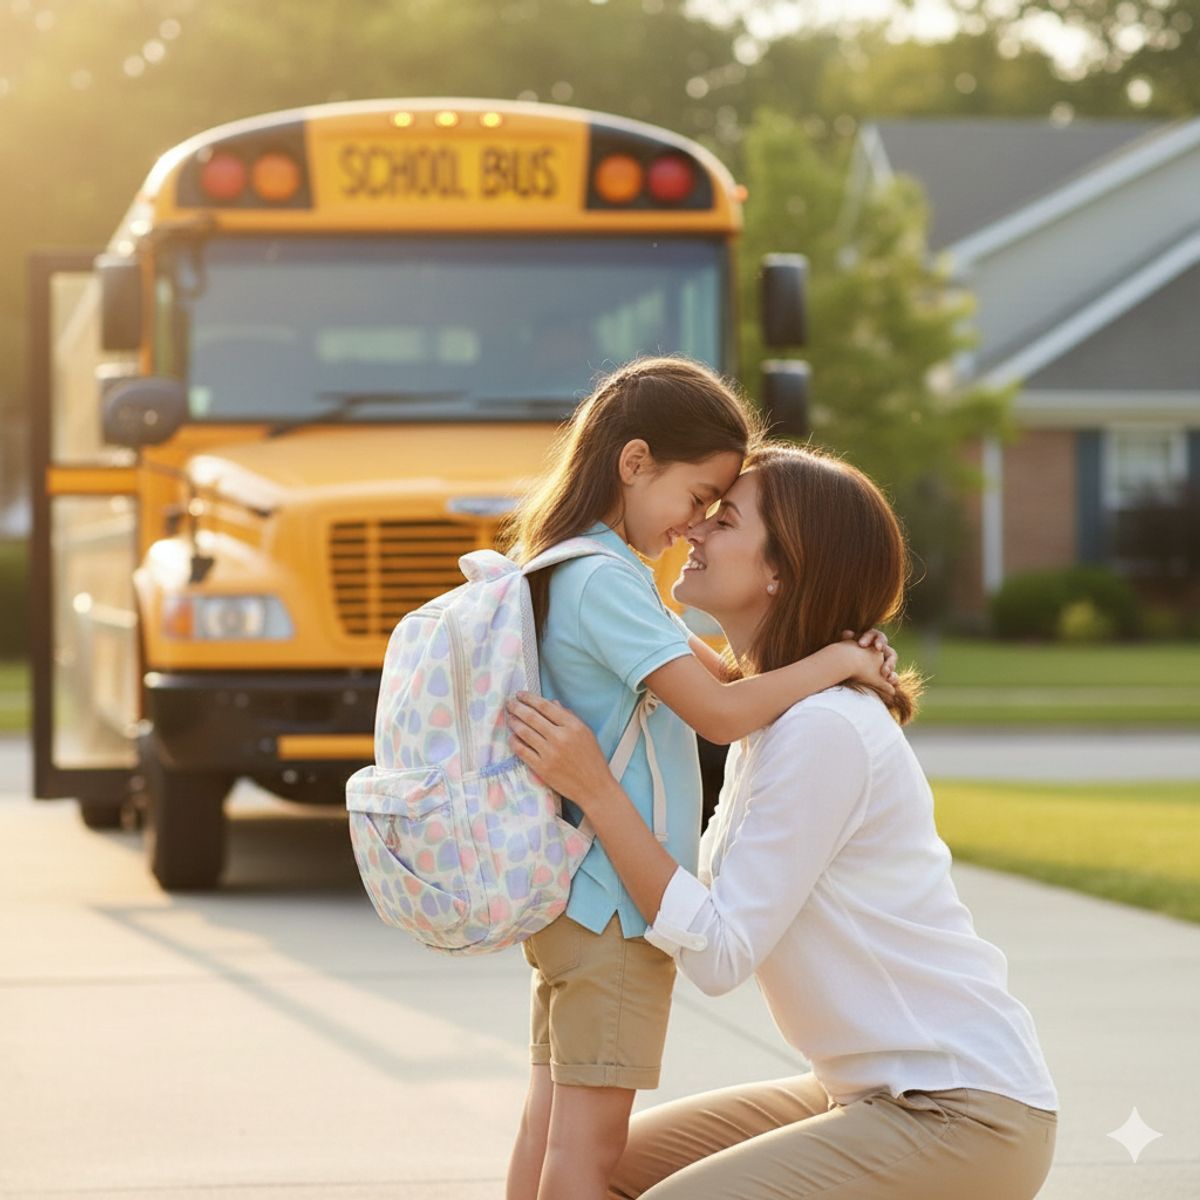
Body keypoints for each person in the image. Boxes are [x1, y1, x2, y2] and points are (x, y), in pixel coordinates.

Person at [506, 442, 1059, 1200]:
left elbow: (721, 952)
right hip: (860, 1092)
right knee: (588, 1172)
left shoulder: (824, 730)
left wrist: (598, 794)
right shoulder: (772, 716)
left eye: (724, 518)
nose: (694, 530)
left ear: (782, 570)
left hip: (956, 1112)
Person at [500, 361, 900, 1200]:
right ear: (635, 463)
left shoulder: (576, 566)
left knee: (546, 1134)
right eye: (698, 498)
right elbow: (722, 717)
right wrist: (835, 658)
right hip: (615, 907)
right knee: (587, 1156)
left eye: (718, 513)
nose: (693, 527)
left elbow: (726, 679)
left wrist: (827, 664)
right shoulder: (607, 582)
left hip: (579, 898)